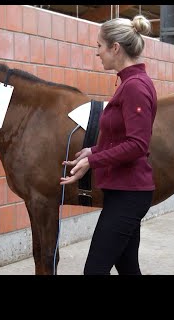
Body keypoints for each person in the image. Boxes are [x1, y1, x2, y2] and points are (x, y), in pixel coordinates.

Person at [60, 15, 157, 275]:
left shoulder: (135, 87)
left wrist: (92, 161)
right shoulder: (128, 83)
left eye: (100, 46)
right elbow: (122, 138)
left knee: (94, 270)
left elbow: (137, 145)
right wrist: (94, 150)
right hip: (122, 191)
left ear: (116, 48)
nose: (97, 53)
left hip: (130, 194)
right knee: (127, 267)